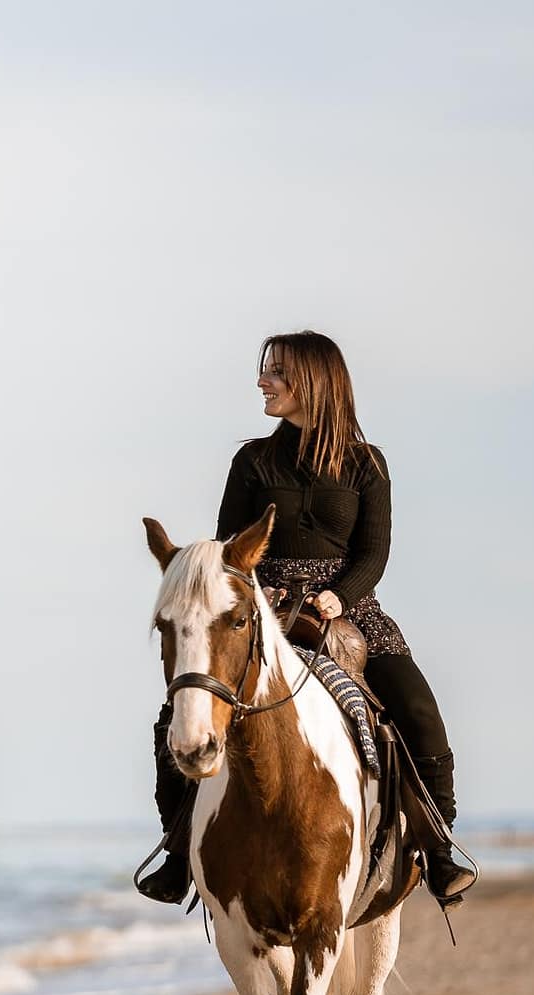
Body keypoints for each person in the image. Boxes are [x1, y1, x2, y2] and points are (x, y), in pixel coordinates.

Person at [137, 330, 476, 908]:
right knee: (182, 708)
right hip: (264, 606)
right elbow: (227, 548)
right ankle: (176, 852)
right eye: (265, 371)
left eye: (275, 372)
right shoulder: (251, 460)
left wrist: (339, 596)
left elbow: (373, 554)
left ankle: (437, 847)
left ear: (312, 381)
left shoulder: (367, 464)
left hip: (349, 607)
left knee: (418, 706)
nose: (262, 382)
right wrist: (257, 592)